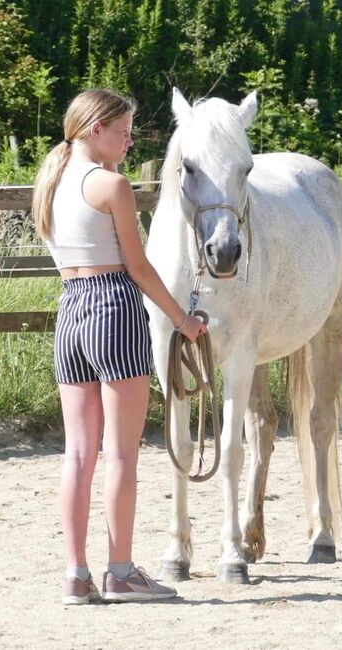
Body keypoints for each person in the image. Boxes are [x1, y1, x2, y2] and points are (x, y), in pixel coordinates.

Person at [32, 88, 207, 605]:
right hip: (113, 305)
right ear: (95, 130)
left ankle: (76, 574)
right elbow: (140, 268)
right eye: (124, 131)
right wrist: (183, 320)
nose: (130, 141)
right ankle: (121, 572)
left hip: (71, 310)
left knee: (79, 453)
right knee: (122, 454)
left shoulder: (50, 180)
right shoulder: (113, 185)